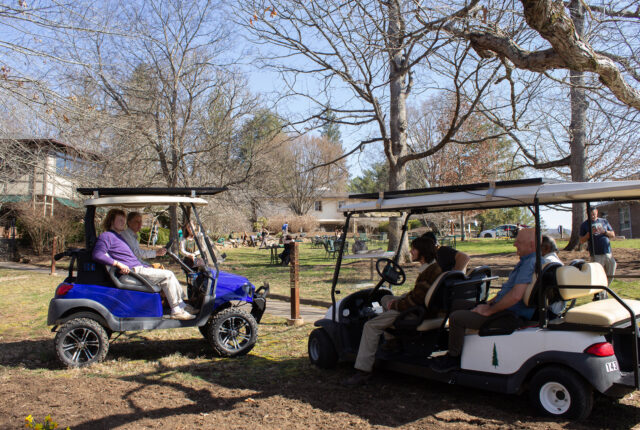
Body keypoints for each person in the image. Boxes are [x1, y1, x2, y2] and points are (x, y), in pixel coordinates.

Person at [431, 228, 539, 373]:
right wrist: (490, 302)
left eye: (519, 242)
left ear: (532, 245)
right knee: (457, 304)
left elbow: (515, 296)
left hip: (508, 315)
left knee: (456, 318)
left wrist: (489, 310)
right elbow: (508, 291)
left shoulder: (529, 264)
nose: (515, 244)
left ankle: (453, 357)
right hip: (505, 309)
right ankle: (451, 342)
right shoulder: (527, 261)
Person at [343, 236, 443, 386]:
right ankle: (392, 341)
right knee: (385, 298)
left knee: (370, 326)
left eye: (414, 249)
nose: (411, 251)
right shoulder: (434, 267)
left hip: (416, 312)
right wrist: (397, 300)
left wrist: (395, 305)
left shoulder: (429, 272)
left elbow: (415, 300)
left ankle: (363, 371)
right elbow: (419, 294)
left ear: (422, 252)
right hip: (423, 307)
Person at [92, 209, 196, 320]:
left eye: (124, 220)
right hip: (133, 272)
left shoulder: (118, 236)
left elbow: (130, 255)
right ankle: (176, 310)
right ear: (111, 221)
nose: (123, 222)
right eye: (120, 220)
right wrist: (118, 264)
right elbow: (97, 254)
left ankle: (182, 306)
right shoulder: (107, 236)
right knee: (168, 275)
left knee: (167, 273)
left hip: (137, 268)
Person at [579, 208, 616, 285]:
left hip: (607, 252)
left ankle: (605, 289)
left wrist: (604, 231)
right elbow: (582, 240)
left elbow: (613, 235)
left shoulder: (604, 221)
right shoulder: (585, 224)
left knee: (611, 271)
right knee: (598, 274)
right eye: (590, 214)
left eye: (593, 214)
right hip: (596, 253)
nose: (592, 216)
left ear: (597, 212)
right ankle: (599, 293)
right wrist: (589, 233)